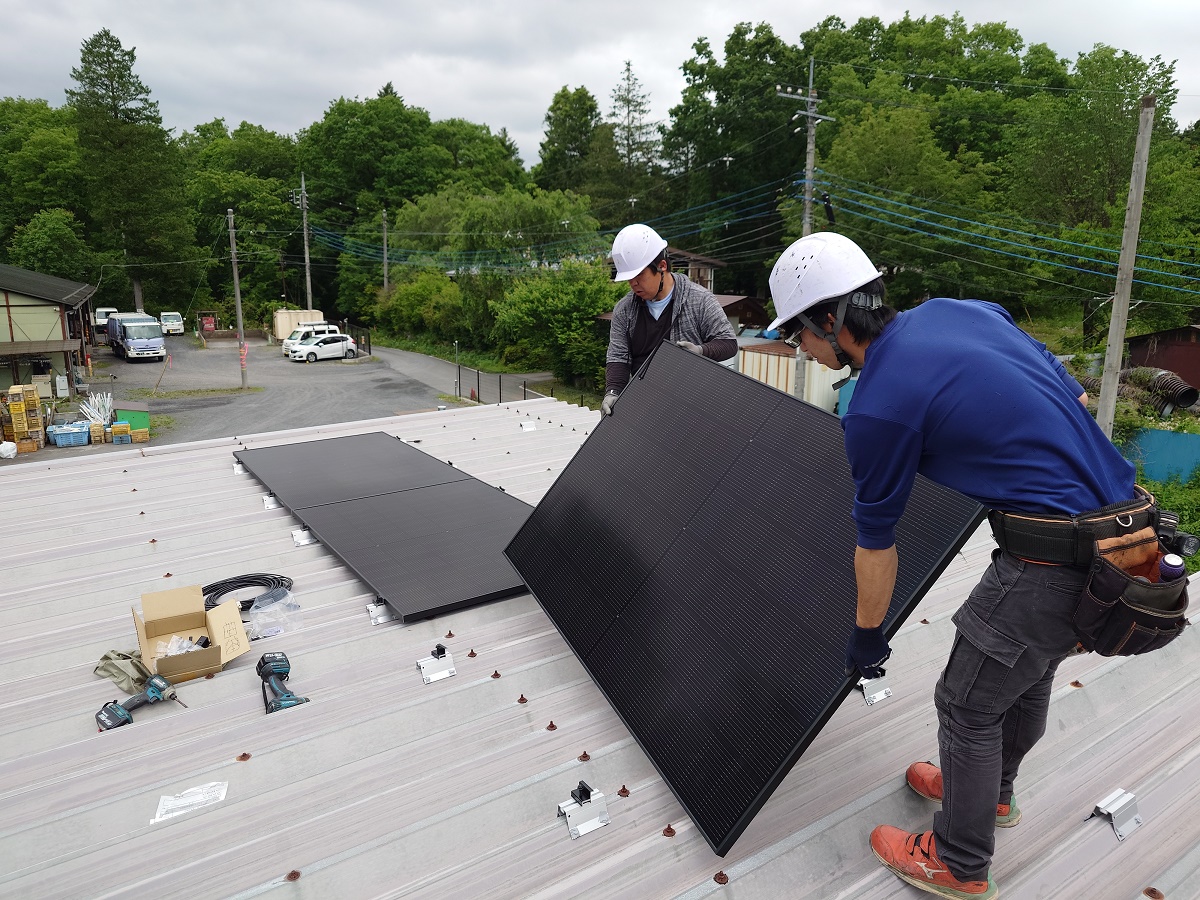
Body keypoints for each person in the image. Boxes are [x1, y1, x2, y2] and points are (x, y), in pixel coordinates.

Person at [767, 231, 1140, 900]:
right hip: (1125, 536)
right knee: (1027, 671)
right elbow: (1076, 401)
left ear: (830, 318)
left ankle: (959, 862)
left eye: (798, 334)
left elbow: (876, 542)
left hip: (1053, 556)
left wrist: (867, 636)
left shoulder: (877, 407)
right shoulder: (961, 311)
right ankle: (990, 794)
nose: (801, 350)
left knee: (965, 704)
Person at [601, 224, 737, 415]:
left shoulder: (699, 300)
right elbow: (618, 357)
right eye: (629, 278)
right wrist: (613, 392)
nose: (633, 284)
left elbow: (729, 343)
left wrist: (700, 351)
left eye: (639, 275)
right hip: (645, 404)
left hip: (692, 406)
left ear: (662, 266)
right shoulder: (624, 310)